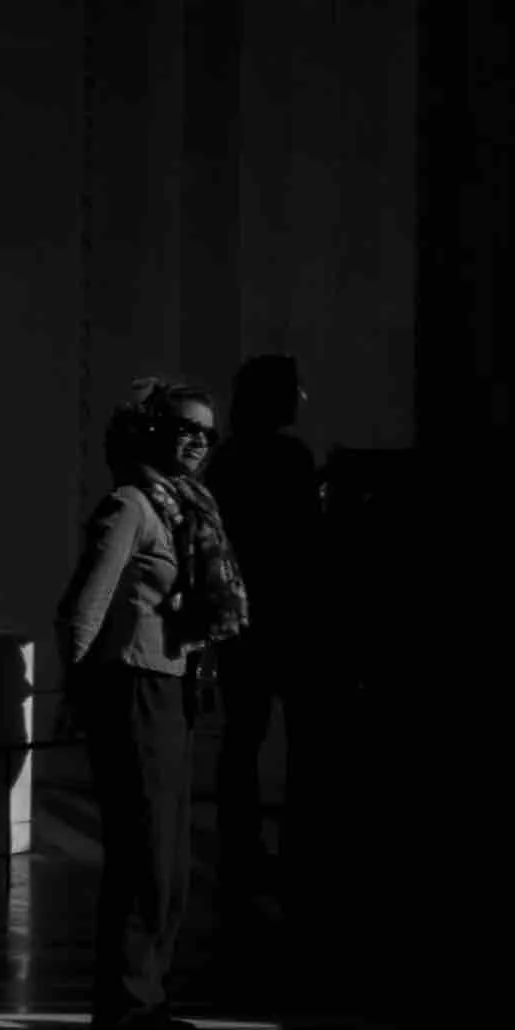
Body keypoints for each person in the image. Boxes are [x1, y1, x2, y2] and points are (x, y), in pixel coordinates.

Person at [54, 379, 249, 1030]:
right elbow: (83, 607)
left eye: (207, 432)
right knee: (144, 858)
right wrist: (76, 693)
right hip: (131, 689)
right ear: (149, 432)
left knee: (169, 865)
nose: (197, 441)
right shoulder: (131, 505)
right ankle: (125, 1013)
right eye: (183, 428)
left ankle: (149, 1001)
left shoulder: (187, 507)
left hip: (175, 692)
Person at [206, 354, 322, 936]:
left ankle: (241, 850)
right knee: (305, 737)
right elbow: (307, 543)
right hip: (290, 618)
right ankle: (301, 852)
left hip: (242, 619)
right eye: (295, 389)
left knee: (242, 737)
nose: (303, 398)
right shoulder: (291, 459)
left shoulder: (225, 460)